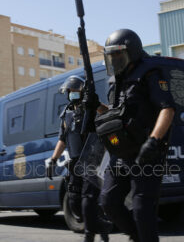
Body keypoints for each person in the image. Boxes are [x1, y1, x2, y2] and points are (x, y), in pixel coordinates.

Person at [85, 29, 175, 242]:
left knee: (143, 210)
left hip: (147, 153)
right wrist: (96, 106)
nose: (114, 59)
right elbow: (114, 116)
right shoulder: (115, 81)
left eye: (118, 54)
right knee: (108, 201)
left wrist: (153, 141)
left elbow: (167, 109)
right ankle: (136, 236)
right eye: (111, 55)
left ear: (131, 52)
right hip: (122, 151)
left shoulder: (150, 73)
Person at [46, 75, 112, 242]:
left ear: (82, 92)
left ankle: (89, 234)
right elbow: (62, 139)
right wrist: (53, 159)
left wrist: (95, 104)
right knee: (74, 202)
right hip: (75, 162)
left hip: (91, 159)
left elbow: (107, 113)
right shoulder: (66, 114)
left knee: (88, 199)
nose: (71, 94)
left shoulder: (90, 108)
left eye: (75, 91)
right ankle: (100, 225)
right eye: (69, 91)